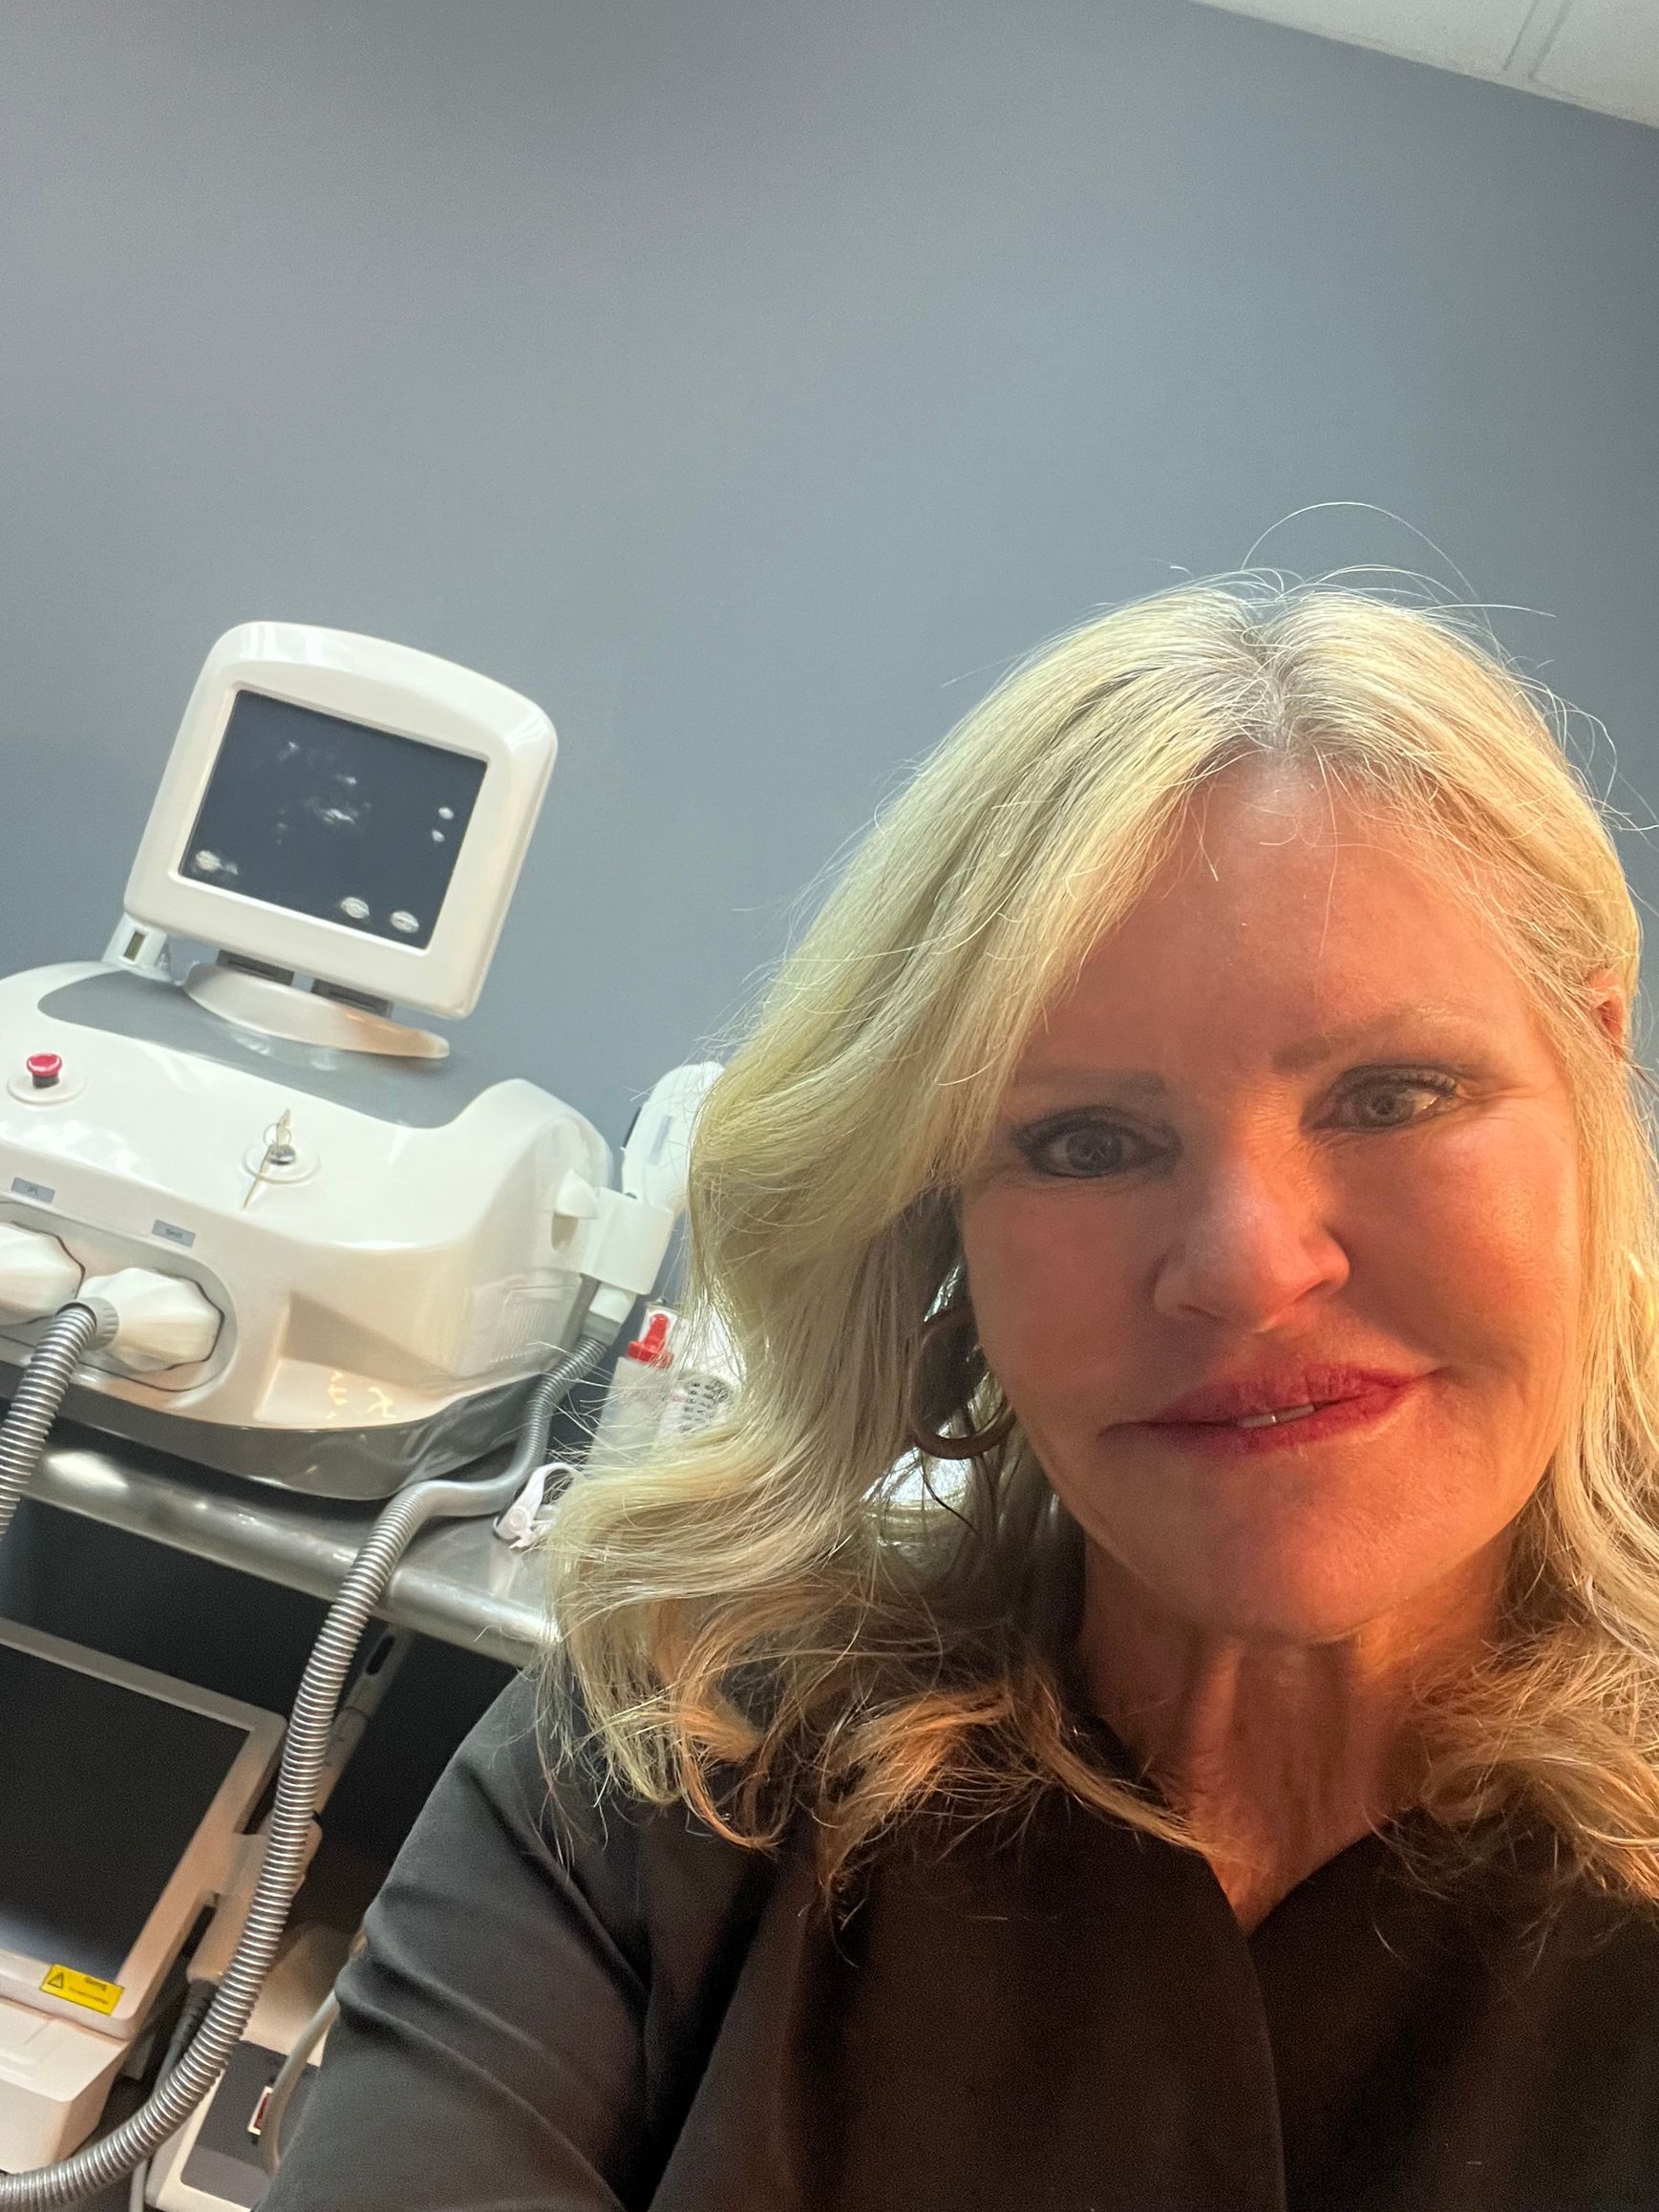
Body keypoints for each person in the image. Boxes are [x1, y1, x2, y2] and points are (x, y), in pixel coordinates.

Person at [264, 577, 1659, 2210]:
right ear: (942, 1233)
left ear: (1590, 1077)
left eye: (1391, 1093)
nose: (1243, 1267)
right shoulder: (665, 1770)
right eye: (1082, 1142)